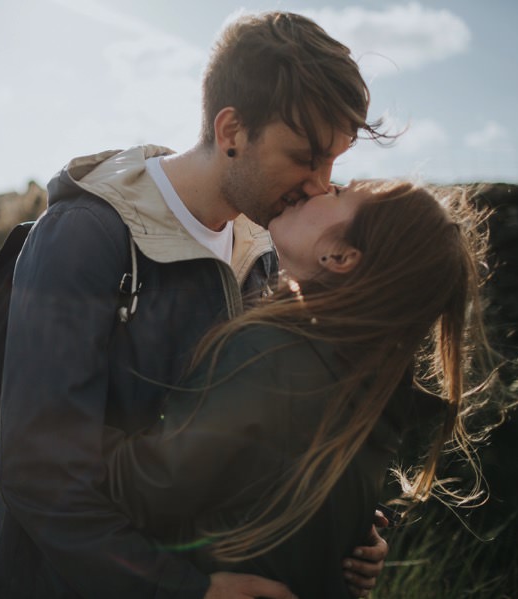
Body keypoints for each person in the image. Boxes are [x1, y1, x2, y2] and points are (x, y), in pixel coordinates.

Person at [0, 11, 392, 599]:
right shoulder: (85, 237)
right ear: (231, 132)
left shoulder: (271, 257)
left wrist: (350, 528)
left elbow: (267, 449)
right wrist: (183, 590)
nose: (322, 183)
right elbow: (37, 469)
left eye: (334, 161)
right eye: (306, 157)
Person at [104, 179, 495, 598]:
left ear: (340, 256)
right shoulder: (375, 383)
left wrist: (52, 423)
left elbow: (149, 488)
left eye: (341, 195)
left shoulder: (268, 354)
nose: (321, 185)